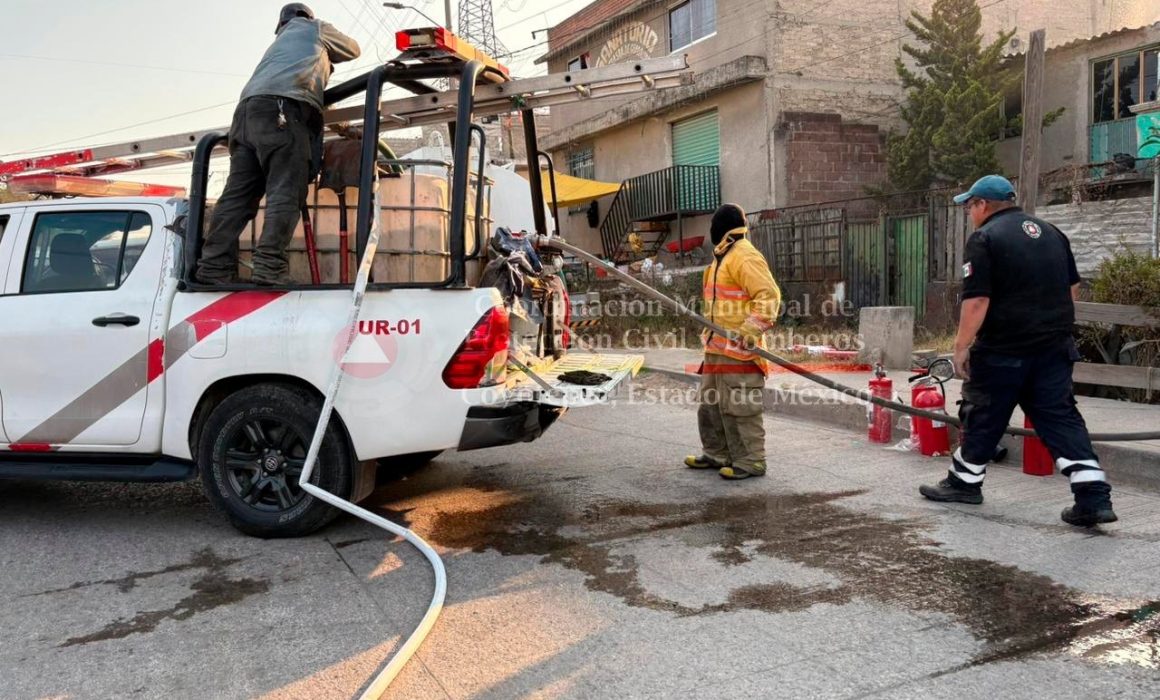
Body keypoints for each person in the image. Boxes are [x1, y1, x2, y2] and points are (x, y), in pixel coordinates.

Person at [919, 175, 1117, 527]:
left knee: (984, 413)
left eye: (970, 206)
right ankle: (1093, 498)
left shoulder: (985, 238)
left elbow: (977, 299)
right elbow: (1071, 289)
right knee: (1060, 417)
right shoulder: (1053, 233)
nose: (969, 213)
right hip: (1053, 347)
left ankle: (964, 483)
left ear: (983, 205)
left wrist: (961, 346)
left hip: (1004, 348)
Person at [195, 3, 360, 286]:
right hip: (280, 113)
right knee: (285, 191)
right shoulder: (312, 27)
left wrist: (343, 128)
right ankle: (270, 268)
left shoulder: (277, 51)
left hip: (246, 116)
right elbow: (353, 49)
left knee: (237, 197)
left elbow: (305, 94)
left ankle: (213, 268)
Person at [684, 204, 782, 480]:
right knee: (711, 404)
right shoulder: (721, 257)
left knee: (740, 408)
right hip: (717, 349)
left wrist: (750, 330)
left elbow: (768, 297)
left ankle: (751, 461)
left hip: (740, 351)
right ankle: (717, 453)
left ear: (723, 228)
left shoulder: (745, 256)